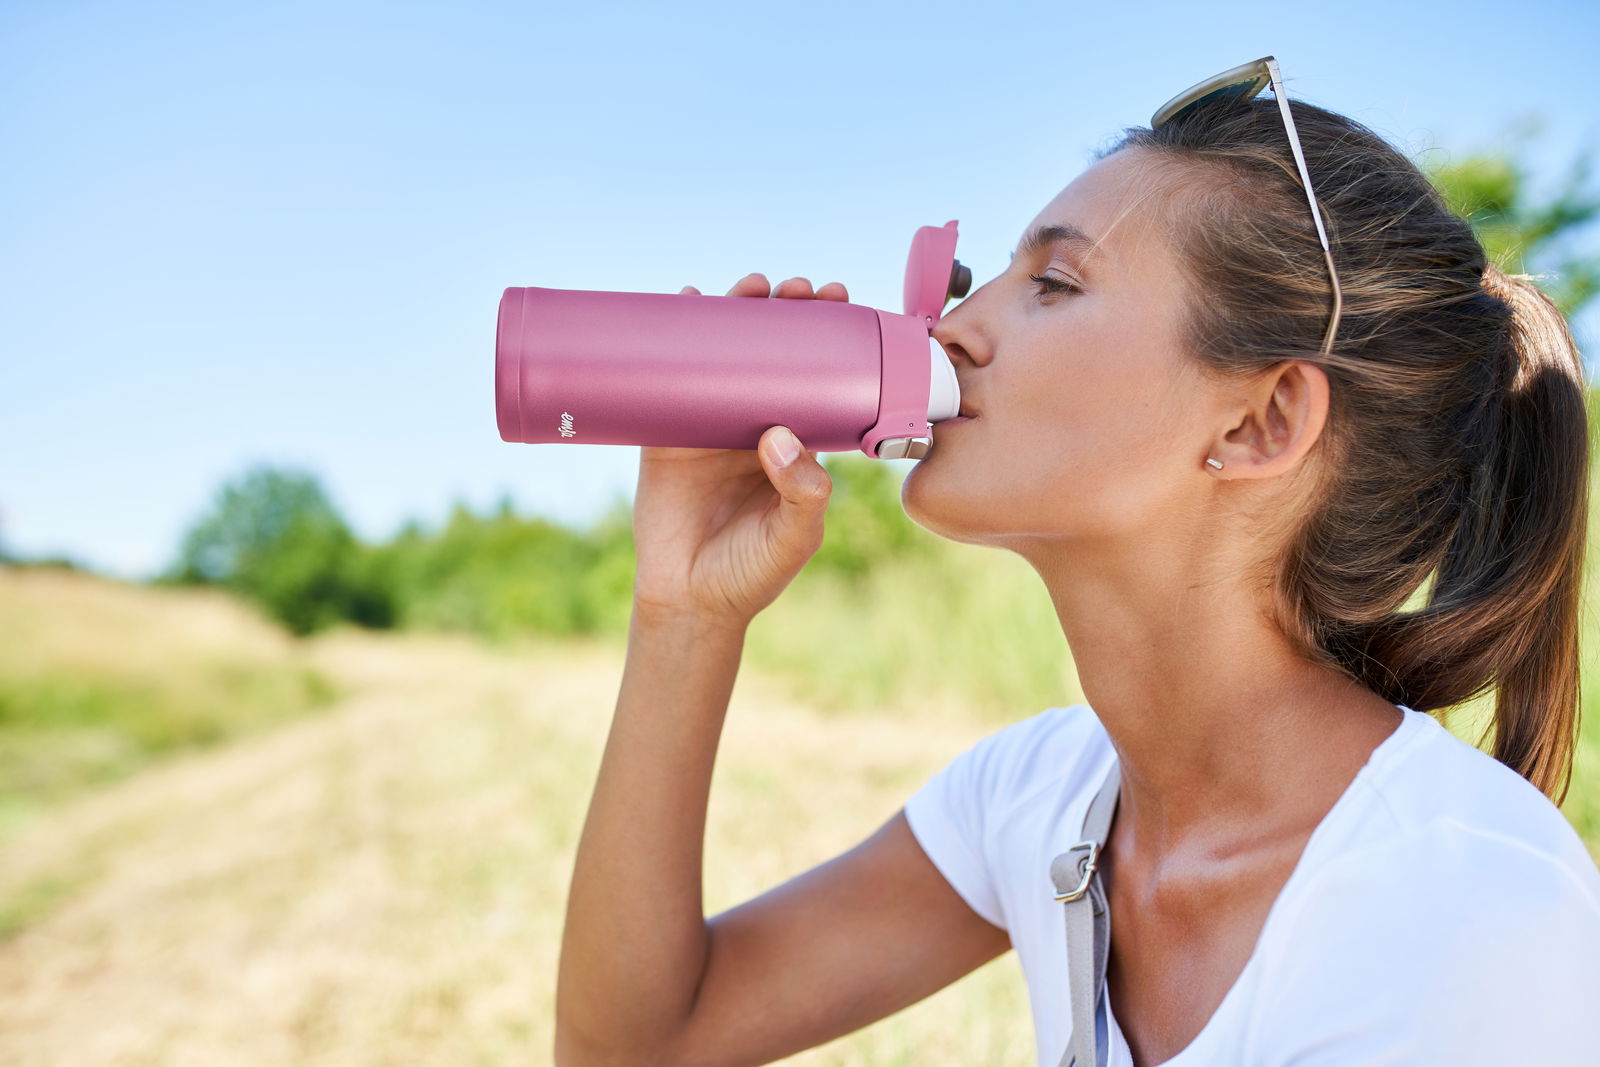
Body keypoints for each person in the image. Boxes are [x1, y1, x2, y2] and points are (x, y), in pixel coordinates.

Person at [553, 59, 1600, 1067]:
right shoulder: (1043, 797)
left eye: (1051, 282)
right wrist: (682, 612)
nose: (952, 328)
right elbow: (638, 1042)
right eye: (978, 280)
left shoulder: (1454, 904)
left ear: (1260, 419)